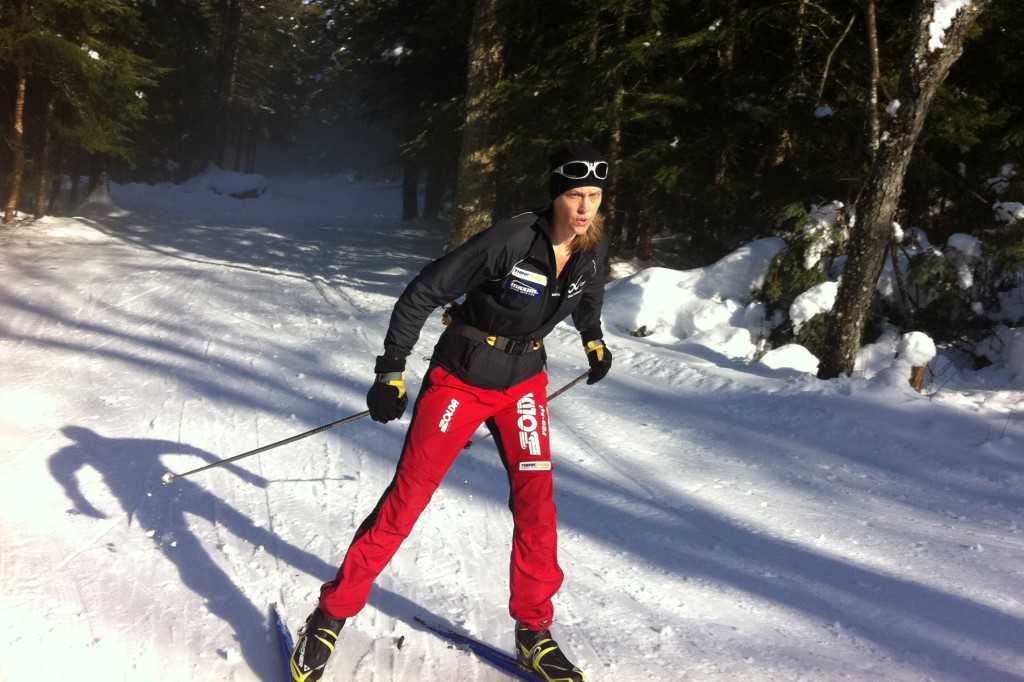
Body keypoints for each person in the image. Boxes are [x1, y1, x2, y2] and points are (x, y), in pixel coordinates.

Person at [289, 143, 613, 682]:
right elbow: (421, 292)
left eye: (594, 196)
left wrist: (594, 338)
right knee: (405, 503)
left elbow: (589, 291)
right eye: (576, 195)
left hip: (525, 383)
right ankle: (330, 615)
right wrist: (390, 371)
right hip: (460, 380)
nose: (584, 207)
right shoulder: (510, 239)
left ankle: (533, 631)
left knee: (538, 506)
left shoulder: (591, 244)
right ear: (556, 193)